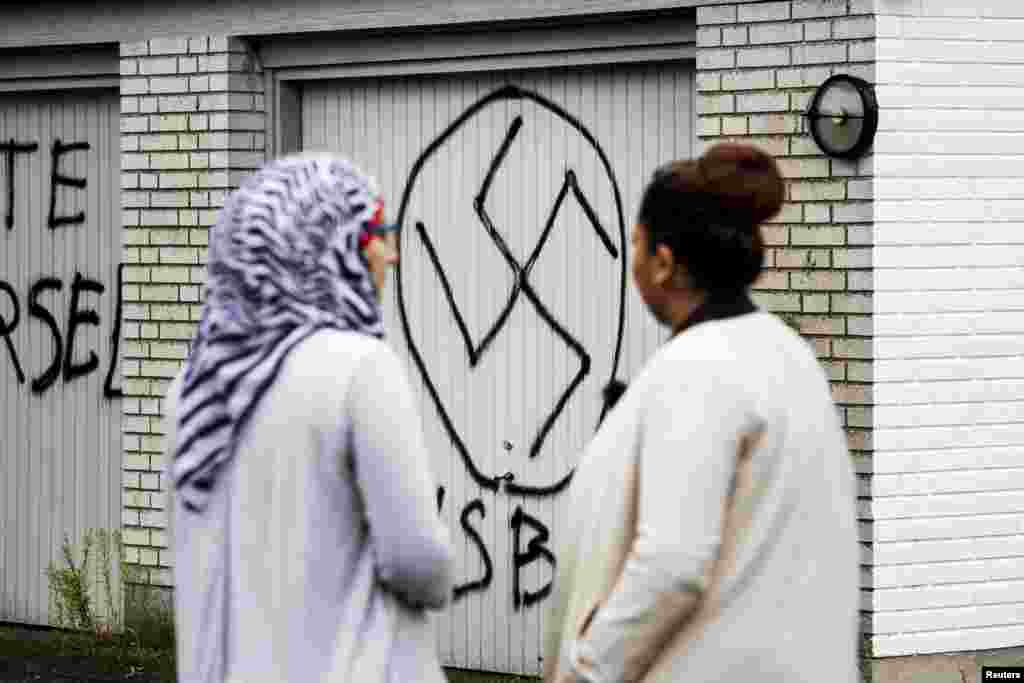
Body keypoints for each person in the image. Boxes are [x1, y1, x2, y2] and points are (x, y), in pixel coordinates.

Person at [543, 143, 859, 683]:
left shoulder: (699, 368)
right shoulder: (788, 355)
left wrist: (585, 671)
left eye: (637, 245)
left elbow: (671, 564)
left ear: (663, 263)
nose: (633, 261)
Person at [162, 155, 455, 683]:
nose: (390, 255)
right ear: (321, 243)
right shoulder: (360, 367)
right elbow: (419, 561)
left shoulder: (194, 389)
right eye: (377, 232)